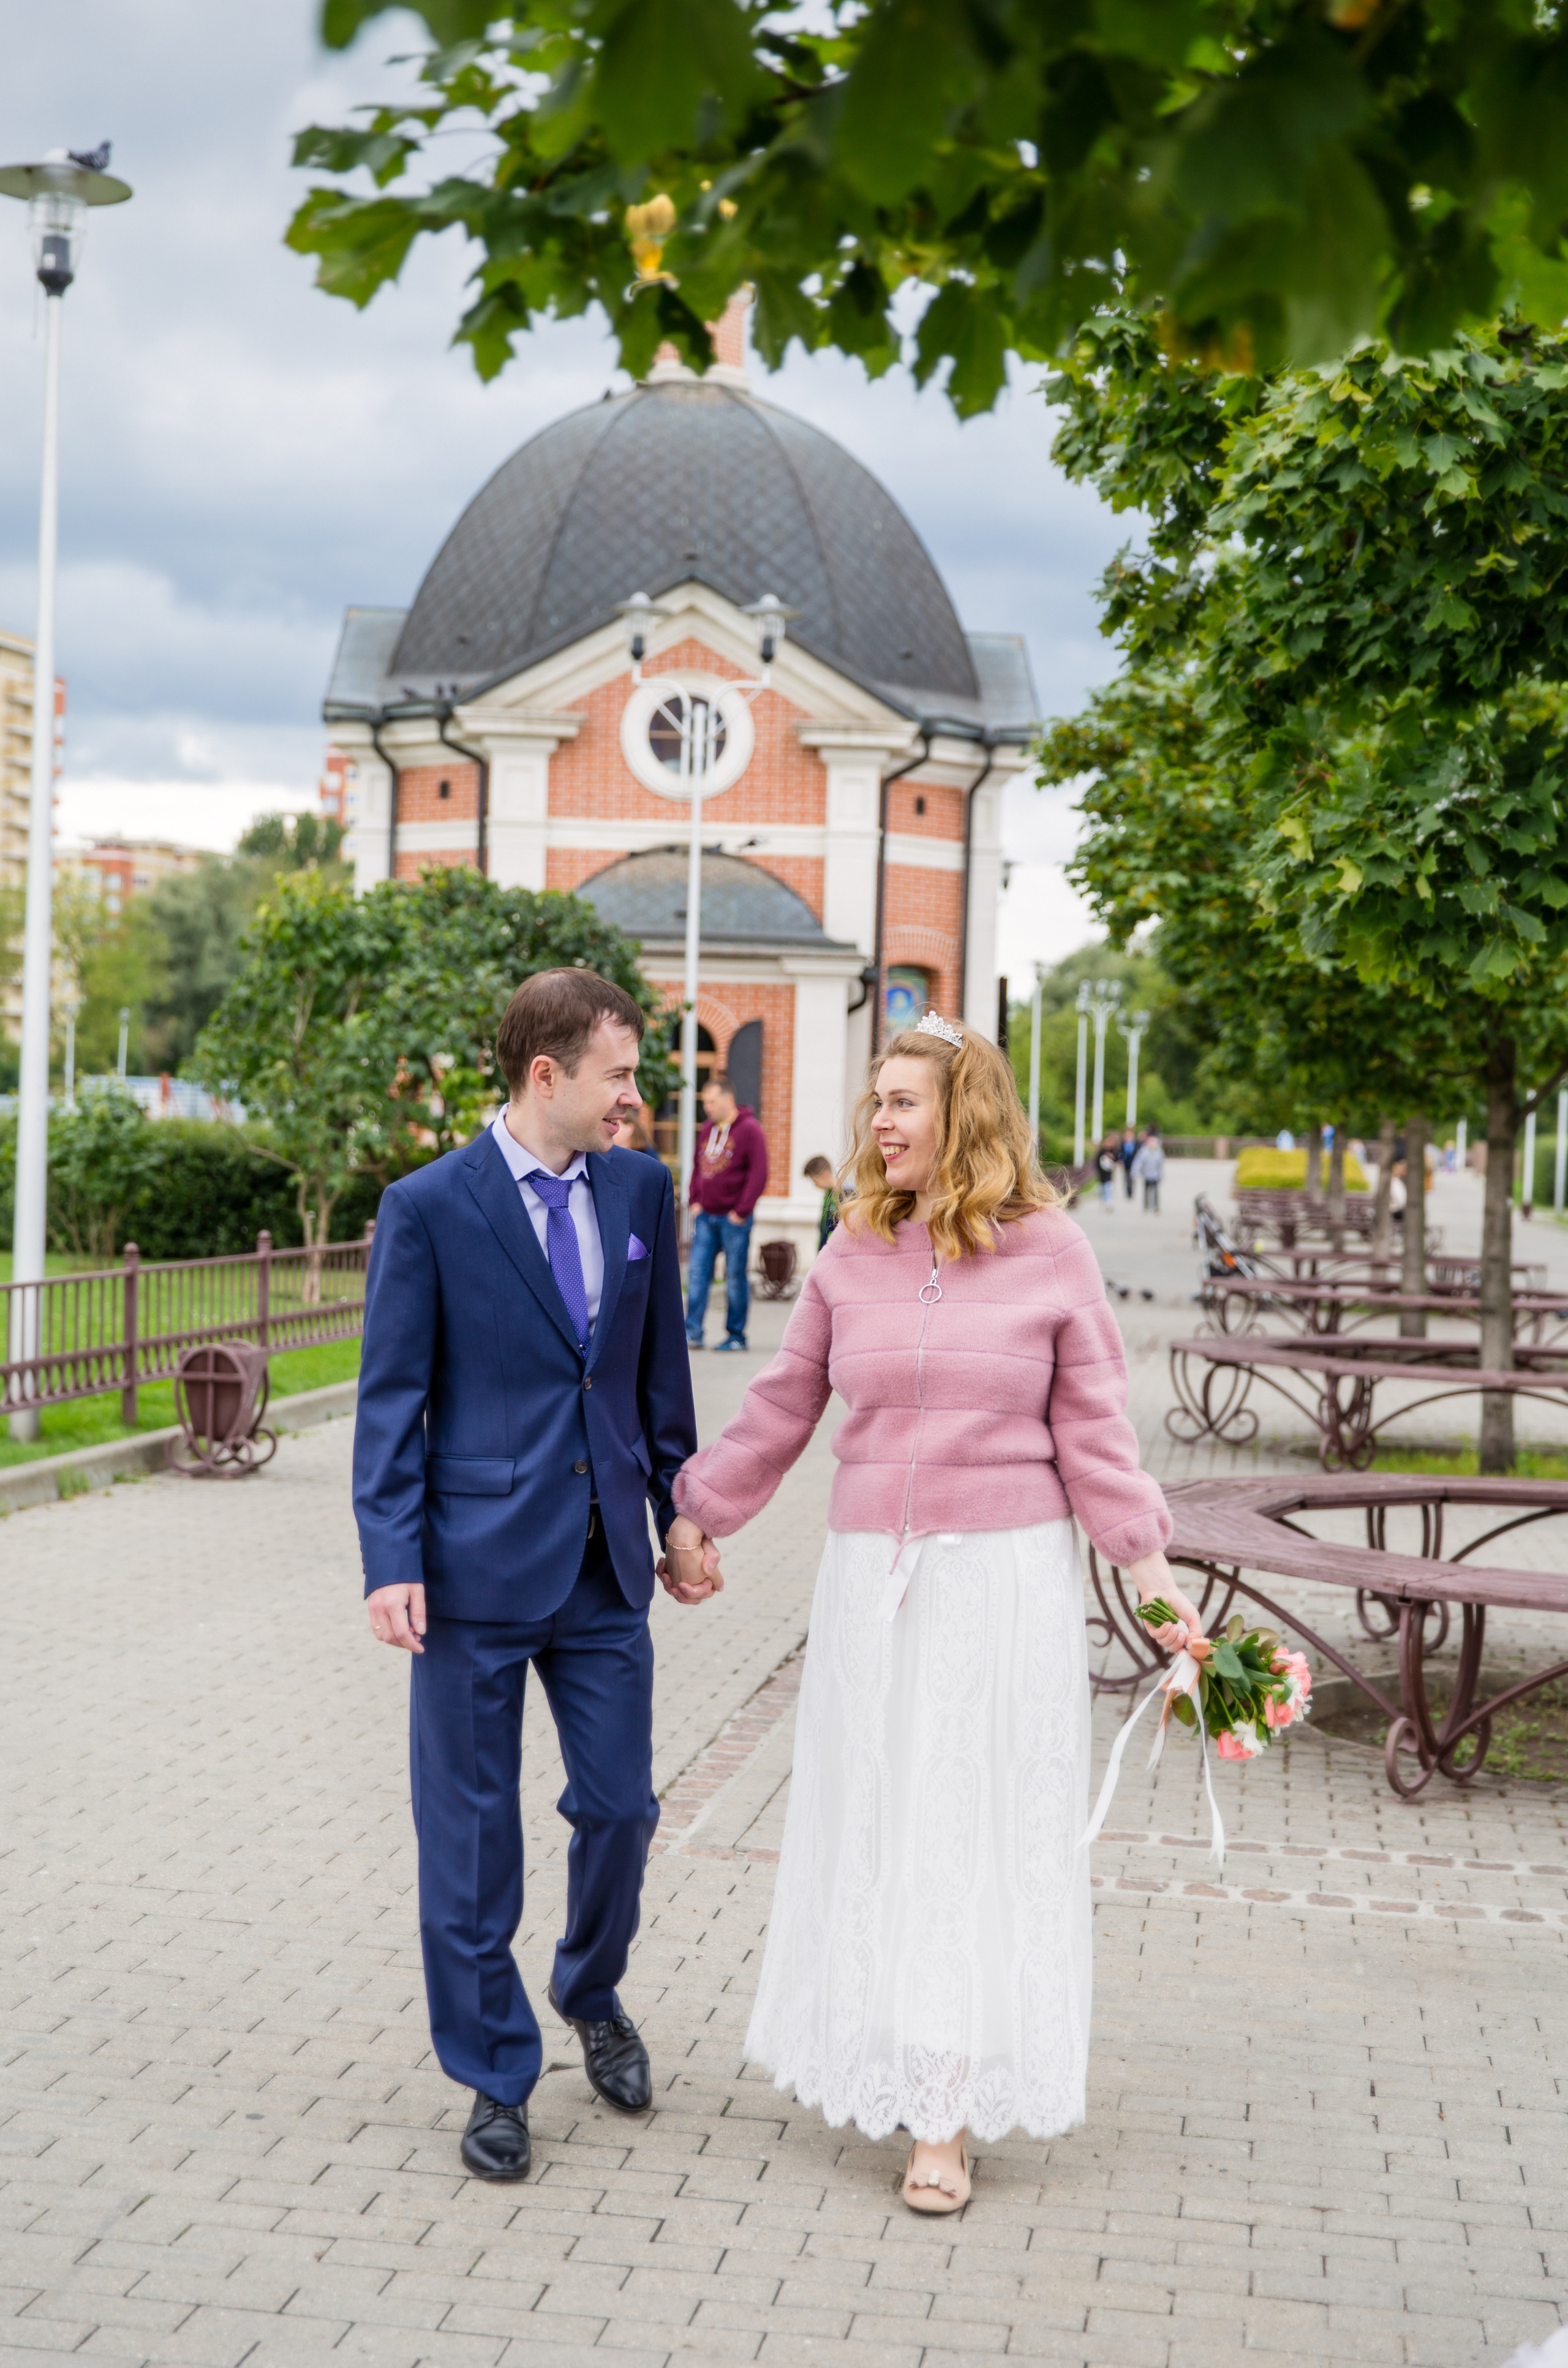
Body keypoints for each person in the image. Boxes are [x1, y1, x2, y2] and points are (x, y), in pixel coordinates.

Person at [671, 1009, 1191, 2215]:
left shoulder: (1051, 1249)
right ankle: (890, 2048)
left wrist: (1148, 1568)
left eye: (900, 1102)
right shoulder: (851, 1244)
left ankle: (944, 2110)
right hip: (870, 1579)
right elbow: (783, 1401)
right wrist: (702, 1509)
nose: (878, 1122)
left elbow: (1095, 1433)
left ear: (962, 1117)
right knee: (880, 1822)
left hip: (997, 1578)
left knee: (962, 1828)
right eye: (874, 1101)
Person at [352, 968, 723, 2184]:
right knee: (469, 1836)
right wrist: (389, 1559)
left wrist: (678, 1511)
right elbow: (390, 1402)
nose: (636, 1095)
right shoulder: (428, 1207)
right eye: (618, 1073)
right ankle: (494, 2072)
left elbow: (652, 1370)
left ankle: (589, 1989)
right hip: (467, 1569)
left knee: (620, 1807)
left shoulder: (639, 1187)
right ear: (546, 1074)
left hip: (607, 1560)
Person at [686, 1070, 769, 1352]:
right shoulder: (708, 1130)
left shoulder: (750, 1129)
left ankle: (736, 1336)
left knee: (735, 1277)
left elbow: (759, 1174)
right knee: (697, 1274)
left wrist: (741, 1211)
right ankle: (692, 1332)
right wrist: (694, 1199)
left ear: (728, 1099)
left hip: (734, 1219)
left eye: (711, 1102)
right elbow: (698, 1166)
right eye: (705, 1102)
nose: (706, 1107)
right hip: (706, 1216)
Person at [803, 1153, 840, 1251]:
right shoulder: (828, 1195)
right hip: (825, 1250)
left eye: (815, 1181)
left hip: (835, 1250)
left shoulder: (844, 1196)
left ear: (825, 1175)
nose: (815, 1185)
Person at [1131, 1125, 1165, 1212]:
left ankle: (1156, 1206)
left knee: (1155, 1191)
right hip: (1146, 1174)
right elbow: (1138, 1162)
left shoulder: (1159, 1151)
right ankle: (1146, 1205)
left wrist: (1162, 1175)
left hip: (1156, 1174)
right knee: (1146, 1190)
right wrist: (1135, 1172)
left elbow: (1161, 1164)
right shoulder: (1144, 1151)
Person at [1094, 1134, 1118, 1207]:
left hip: (1109, 1173)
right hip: (1102, 1173)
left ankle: (1109, 1202)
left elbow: (1116, 1160)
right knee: (1102, 1188)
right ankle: (1103, 1201)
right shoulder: (1101, 1152)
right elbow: (1097, 1162)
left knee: (1109, 1188)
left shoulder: (1114, 1152)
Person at [1119, 1125, 1138, 1197]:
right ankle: (1128, 1190)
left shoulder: (1135, 1143)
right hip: (1126, 1162)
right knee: (1126, 1177)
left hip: (1133, 1162)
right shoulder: (1123, 1143)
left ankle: (1131, 1190)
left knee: (1132, 1176)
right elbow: (1121, 1152)